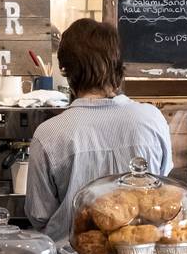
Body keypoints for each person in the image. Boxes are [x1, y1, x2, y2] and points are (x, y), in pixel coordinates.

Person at [26, 18, 173, 241]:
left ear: (66, 70)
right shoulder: (151, 119)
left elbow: (39, 215)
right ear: (118, 64)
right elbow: (160, 193)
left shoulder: (49, 133)